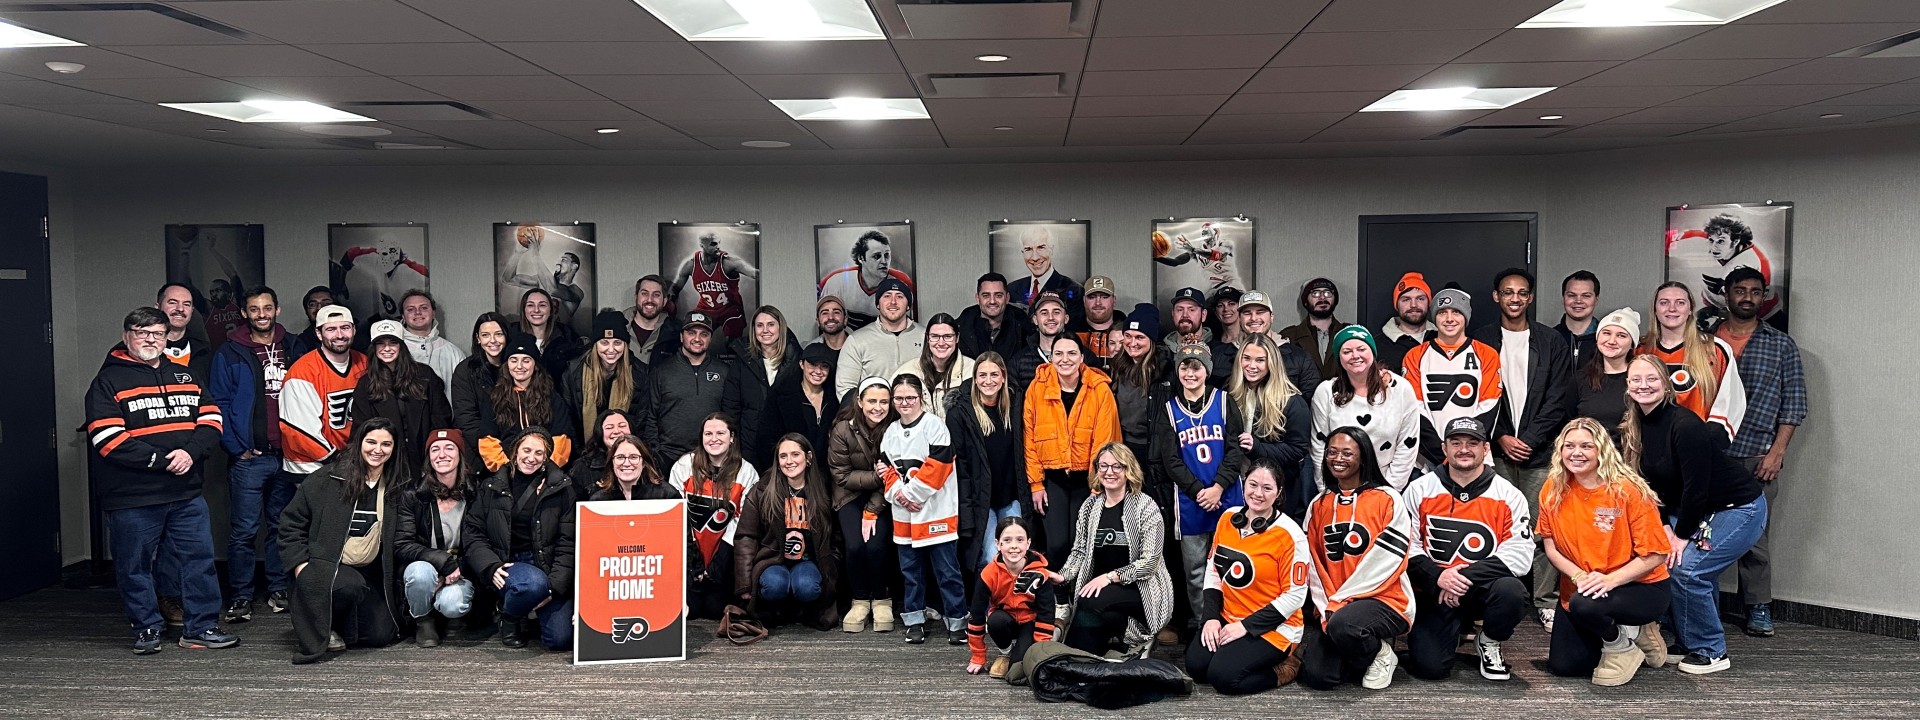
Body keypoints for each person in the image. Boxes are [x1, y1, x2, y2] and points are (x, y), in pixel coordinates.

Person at [86, 306, 238, 654]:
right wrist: (161, 461)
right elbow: (108, 439)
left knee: (199, 561)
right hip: (133, 497)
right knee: (134, 567)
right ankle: (146, 629)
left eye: (157, 333)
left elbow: (212, 419)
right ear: (127, 336)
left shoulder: (185, 375)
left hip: (186, 493)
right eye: (142, 333)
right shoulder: (108, 381)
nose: (150, 339)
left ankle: (200, 627)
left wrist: (191, 453)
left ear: (167, 336)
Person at [1620, 354, 1767, 675]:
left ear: (1666, 384)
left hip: (1737, 507)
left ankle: (1711, 650)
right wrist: (1665, 529)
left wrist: (1680, 535)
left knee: (1689, 571)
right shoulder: (1638, 425)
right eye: (1636, 380)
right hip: (1690, 509)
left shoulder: (1684, 425)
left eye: (1651, 379)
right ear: (1628, 386)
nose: (1643, 385)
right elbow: (1650, 489)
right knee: (1673, 565)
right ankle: (1688, 641)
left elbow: (1696, 489)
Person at [1471, 268, 1576, 628]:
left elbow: (1558, 398)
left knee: (1543, 527)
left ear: (1530, 298)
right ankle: (1498, 598)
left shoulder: (1551, 342)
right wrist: (1500, 436)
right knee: (1494, 528)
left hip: (1540, 453)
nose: (1514, 298)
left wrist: (1529, 440)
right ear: (1495, 297)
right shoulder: (1480, 340)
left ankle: (1546, 600)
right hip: (1495, 452)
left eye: (1521, 293)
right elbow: (1477, 396)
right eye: (1507, 292)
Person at [1538, 418, 1672, 686]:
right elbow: (1550, 548)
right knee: (1565, 665)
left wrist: (1609, 580)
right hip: (1583, 586)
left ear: (1602, 450)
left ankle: (1622, 645)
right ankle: (1626, 630)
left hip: (1638, 586)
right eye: (1569, 446)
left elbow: (1657, 554)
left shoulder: (1627, 490)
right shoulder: (1553, 489)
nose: (1577, 453)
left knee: (1585, 604)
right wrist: (1578, 576)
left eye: (1587, 446)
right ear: (1560, 450)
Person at [1712, 267, 1806, 638]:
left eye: (1755, 291)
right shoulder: (1705, 339)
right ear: (1727, 294)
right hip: (1711, 454)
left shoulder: (1781, 345)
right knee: (1701, 534)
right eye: (1740, 290)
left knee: (1755, 538)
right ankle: (1702, 604)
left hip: (1756, 454)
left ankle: (1759, 607)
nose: (1747, 297)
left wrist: (1777, 452)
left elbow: (1794, 403)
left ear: (1763, 296)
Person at [1403, 417, 1534, 682]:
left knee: (1513, 593)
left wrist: (1461, 578)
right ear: (1444, 449)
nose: (1464, 449)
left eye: (1472, 443)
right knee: (1430, 669)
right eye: (1456, 443)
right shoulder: (1419, 489)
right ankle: (1451, 630)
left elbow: (1520, 555)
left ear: (1486, 449)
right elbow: (1406, 547)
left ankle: (1489, 640)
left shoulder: (1508, 494)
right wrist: (1439, 577)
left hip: (1482, 588)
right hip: (1435, 589)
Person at [278, 418, 405, 662]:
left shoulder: (396, 486)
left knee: (381, 635)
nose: (377, 450)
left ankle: (343, 625)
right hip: (327, 565)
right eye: (371, 442)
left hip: (371, 571)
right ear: (359, 443)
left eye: (386, 444)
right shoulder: (326, 480)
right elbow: (290, 524)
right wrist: (300, 566)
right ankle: (323, 624)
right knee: (349, 585)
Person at [208, 285, 300, 620]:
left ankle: (278, 588)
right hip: (250, 457)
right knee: (244, 530)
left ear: (277, 309)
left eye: (267, 308)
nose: (262, 314)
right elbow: (218, 403)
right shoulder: (230, 351)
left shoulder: (294, 346)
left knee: (281, 526)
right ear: (245, 313)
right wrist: (236, 447)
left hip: (287, 456)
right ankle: (241, 596)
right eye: (254, 309)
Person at [1298, 427, 1413, 691]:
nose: (1338, 458)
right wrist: (1327, 604)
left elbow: (1388, 560)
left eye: (1347, 453)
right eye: (1332, 452)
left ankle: (1381, 652)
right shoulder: (1318, 504)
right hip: (1335, 606)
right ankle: (1362, 647)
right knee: (1318, 676)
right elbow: (1313, 564)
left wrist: (1342, 600)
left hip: (1386, 599)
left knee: (1345, 624)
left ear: (1363, 458)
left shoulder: (1388, 499)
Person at [1185, 458, 1312, 694]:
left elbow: (1295, 596)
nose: (1258, 494)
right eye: (1253, 485)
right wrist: (1211, 618)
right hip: (1229, 616)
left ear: (1279, 493)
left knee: (1224, 678)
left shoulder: (1291, 536)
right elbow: (1214, 572)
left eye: (1267, 488)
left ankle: (1288, 666)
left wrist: (1245, 626)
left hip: (1275, 628)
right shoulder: (1228, 519)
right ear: (1244, 484)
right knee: (1197, 667)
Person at [1151, 344, 1248, 643]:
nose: (1190, 373)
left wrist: (1218, 486)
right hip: (1190, 503)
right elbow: (1171, 460)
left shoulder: (1223, 401)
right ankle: (1200, 624)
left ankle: (1237, 621)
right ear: (1178, 371)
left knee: (1234, 562)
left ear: (1207, 370)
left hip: (1228, 496)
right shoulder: (1169, 409)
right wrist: (1198, 491)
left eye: (1196, 367)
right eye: (1184, 367)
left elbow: (1235, 451)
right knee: (1194, 570)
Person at [1050, 443, 1173, 659]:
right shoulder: (1089, 507)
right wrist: (1062, 576)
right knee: (1077, 656)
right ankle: (1132, 639)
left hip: (1142, 590)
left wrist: (1109, 578)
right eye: (1103, 466)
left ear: (1129, 470)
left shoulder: (1146, 506)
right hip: (1102, 594)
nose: (1109, 472)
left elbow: (1150, 562)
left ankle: (1139, 635)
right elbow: (1079, 551)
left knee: (1089, 599)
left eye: (1117, 466)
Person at [462, 427, 577, 651]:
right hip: (509, 564)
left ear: (546, 458)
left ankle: (528, 606)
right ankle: (510, 616)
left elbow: (568, 543)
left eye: (539, 453)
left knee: (560, 639)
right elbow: (473, 532)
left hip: (549, 565)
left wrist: (553, 588)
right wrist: (491, 566)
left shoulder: (562, 488)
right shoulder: (491, 486)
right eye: (526, 450)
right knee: (532, 584)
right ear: (515, 452)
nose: (531, 458)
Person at [875, 374, 968, 645]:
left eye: (910, 398)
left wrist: (911, 494)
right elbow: (886, 469)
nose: (905, 403)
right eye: (899, 398)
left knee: (947, 572)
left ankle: (957, 621)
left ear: (921, 398)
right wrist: (900, 497)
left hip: (937, 512)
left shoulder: (935, 426)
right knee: (910, 573)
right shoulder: (890, 432)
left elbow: (939, 466)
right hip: (904, 516)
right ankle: (914, 620)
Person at [1024, 334, 1121, 567]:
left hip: (1086, 480)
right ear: (1050, 357)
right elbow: (1029, 438)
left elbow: (1104, 442)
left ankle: (1081, 598)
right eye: (1058, 353)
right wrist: (1036, 484)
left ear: (1081, 357)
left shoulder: (1099, 390)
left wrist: (1099, 485)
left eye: (1071, 353)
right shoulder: (1036, 388)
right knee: (1057, 544)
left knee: (1082, 542)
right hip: (1053, 479)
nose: (1064, 359)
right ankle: (1059, 599)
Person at [735, 434, 840, 629]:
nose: (789, 461)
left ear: (808, 458)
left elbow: (836, 535)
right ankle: (777, 611)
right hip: (772, 561)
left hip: (809, 562)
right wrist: (744, 584)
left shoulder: (824, 489)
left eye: (795, 455)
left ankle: (801, 611)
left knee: (806, 586)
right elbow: (746, 537)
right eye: (783, 456)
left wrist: (831, 568)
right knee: (774, 584)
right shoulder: (762, 490)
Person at [668, 413, 761, 621]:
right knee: (690, 610)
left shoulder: (746, 472)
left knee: (714, 609)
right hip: (690, 552)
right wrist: (694, 561)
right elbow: (676, 516)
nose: (714, 438)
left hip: (725, 557)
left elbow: (743, 521)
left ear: (732, 437)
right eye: (708, 433)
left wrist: (719, 562)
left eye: (720, 433)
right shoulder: (684, 466)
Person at [1309, 326, 1421, 490]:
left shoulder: (1400, 389)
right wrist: (1328, 490)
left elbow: (1407, 444)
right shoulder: (1325, 392)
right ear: (1339, 357)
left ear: (1373, 352)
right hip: (1339, 487)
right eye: (1347, 351)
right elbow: (1319, 447)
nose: (1355, 356)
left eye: (1361, 349)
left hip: (1387, 486)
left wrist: (1389, 491)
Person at [1401, 288, 1502, 467]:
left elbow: (1489, 406)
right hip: (1428, 461)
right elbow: (1414, 409)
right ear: (1434, 317)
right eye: (1442, 312)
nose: (1449, 319)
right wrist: (1442, 454)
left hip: (1475, 458)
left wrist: (1464, 449)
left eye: (1456, 312)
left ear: (1466, 316)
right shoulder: (1415, 356)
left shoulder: (1487, 354)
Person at [827, 378, 896, 633]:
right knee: (855, 545)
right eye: (872, 401)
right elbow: (841, 475)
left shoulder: (895, 428)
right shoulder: (842, 429)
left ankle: (881, 599)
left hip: (884, 495)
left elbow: (894, 474)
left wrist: (873, 509)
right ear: (859, 402)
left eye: (883, 402)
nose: (878, 407)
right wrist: (878, 476)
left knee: (876, 544)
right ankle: (859, 600)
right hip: (849, 494)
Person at [396, 429, 476, 648]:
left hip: (461, 570)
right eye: (435, 449)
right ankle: (423, 620)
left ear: (460, 455)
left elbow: (483, 543)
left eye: (449, 448)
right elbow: (402, 544)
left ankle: (452, 617)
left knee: (452, 604)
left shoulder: (475, 492)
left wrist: (455, 569)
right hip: (426, 566)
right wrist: (442, 563)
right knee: (419, 573)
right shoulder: (413, 495)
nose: (442, 454)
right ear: (428, 458)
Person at [947, 352, 1026, 572]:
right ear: (974, 378)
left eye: (994, 374)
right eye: (982, 375)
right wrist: (966, 511)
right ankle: (990, 605)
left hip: (1011, 496)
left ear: (1003, 377)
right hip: (981, 500)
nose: (988, 380)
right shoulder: (959, 413)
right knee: (991, 557)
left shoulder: (1016, 406)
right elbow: (959, 466)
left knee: (1017, 554)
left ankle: (1015, 605)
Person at [1639, 281, 1746, 440]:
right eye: (1664, 303)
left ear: (1690, 309)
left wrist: (1707, 438)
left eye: (1680, 303)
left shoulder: (1714, 349)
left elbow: (1731, 399)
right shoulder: (1638, 349)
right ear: (1655, 309)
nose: (1672, 308)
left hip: (1696, 446)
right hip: (1646, 446)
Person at [1228, 334, 1311, 520]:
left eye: (1260, 360)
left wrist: (1257, 448)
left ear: (1271, 363)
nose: (1252, 366)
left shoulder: (1292, 401)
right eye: (1246, 358)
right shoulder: (1229, 395)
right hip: (1236, 487)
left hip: (1277, 493)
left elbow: (1297, 450)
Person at [351, 320, 451, 472]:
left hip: (425, 459)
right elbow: (361, 429)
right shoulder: (366, 384)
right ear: (374, 348)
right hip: (386, 463)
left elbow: (441, 416)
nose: (387, 348)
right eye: (381, 344)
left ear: (401, 346)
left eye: (393, 343)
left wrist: (434, 453)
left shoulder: (425, 375)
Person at [965, 516, 1057, 679]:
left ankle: (1056, 632)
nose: (1014, 546)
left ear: (1028, 543)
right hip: (1005, 619)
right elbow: (976, 615)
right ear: (997, 544)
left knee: (1018, 670)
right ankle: (1005, 652)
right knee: (995, 621)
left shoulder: (1040, 573)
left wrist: (1041, 647)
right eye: (1007, 540)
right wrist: (978, 656)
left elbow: (1046, 612)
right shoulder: (988, 574)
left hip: (1030, 622)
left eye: (1020, 540)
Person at [280, 305, 367, 476]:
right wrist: (338, 460)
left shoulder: (364, 363)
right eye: (331, 329)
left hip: (350, 461)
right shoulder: (302, 372)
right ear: (319, 334)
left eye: (345, 327)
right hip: (309, 465)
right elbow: (298, 430)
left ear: (354, 330)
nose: (340, 335)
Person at [563, 309, 658, 461]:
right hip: (584, 455)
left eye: (618, 343)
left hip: (626, 454)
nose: (611, 349)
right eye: (604, 342)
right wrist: (582, 457)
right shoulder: (574, 373)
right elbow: (569, 421)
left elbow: (641, 422)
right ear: (595, 345)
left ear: (625, 345)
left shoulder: (641, 374)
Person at [474, 334, 576, 472]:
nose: (519, 366)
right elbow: (488, 441)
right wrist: (507, 469)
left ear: (535, 365)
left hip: (545, 471)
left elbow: (561, 439)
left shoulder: (551, 397)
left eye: (526, 360)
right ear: (506, 365)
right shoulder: (495, 399)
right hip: (507, 473)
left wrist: (546, 468)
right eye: (513, 360)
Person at [723, 306, 801, 466]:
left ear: (781, 327)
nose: (765, 330)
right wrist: (734, 445)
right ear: (753, 330)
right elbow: (731, 407)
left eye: (771, 324)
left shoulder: (797, 360)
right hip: (750, 444)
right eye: (759, 325)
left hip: (788, 444)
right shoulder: (741, 362)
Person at [649, 312, 729, 466]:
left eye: (703, 334)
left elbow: (730, 416)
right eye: (691, 333)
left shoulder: (724, 372)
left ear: (710, 338)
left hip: (711, 456)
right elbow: (650, 416)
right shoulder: (662, 371)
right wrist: (656, 454)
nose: (697, 339)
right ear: (681, 337)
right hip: (668, 457)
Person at [835, 278, 924, 399]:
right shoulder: (857, 340)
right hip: (875, 414)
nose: (893, 302)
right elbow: (845, 388)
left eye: (899, 296)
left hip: (917, 414)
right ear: (877, 304)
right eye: (887, 296)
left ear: (908, 305)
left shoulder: (926, 336)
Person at [760, 343, 841, 475]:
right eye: (813, 365)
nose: (818, 371)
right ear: (802, 364)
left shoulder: (835, 399)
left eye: (824, 366)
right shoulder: (782, 397)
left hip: (826, 475)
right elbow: (767, 439)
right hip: (789, 473)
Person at [668, 231, 761, 339]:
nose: (718, 247)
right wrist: (670, 306)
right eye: (713, 244)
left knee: (732, 344)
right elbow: (675, 289)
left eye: (718, 243)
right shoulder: (691, 264)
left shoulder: (729, 262)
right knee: (691, 337)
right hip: (706, 308)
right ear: (702, 245)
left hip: (730, 308)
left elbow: (756, 274)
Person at [818, 229, 914, 330]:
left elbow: (909, 326)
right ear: (861, 258)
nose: (884, 261)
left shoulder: (901, 284)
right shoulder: (837, 283)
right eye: (876, 256)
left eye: (887, 255)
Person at [1233, 290, 1322, 397]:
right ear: (1239, 318)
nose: (1254, 318)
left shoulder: (1299, 357)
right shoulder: (1223, 354)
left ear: (1271, 316)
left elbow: (1310, 400)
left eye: (1260, 312)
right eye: (1247, 313)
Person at [450, 313, 509, 465]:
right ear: (478, 338)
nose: (493, 340)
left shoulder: (517, 366)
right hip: (479, 453)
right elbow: (467, 419)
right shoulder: (465, 371)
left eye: (499, 334)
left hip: (516, 448)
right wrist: (492, 453)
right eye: (485, 335)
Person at [1575, 308, 1641, 442]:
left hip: (1630, 459)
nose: (1611, 341)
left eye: (1621, 335)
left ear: (1632, 344)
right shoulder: (1581, 379)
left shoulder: (1641, 380)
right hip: (1591, 458)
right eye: (1606, 333)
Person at [895, 313, 975, 417]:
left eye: (947, 336)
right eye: (935, 336)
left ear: (957, 338)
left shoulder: (972, 370)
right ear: (927, 338)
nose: (941, 343)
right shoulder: (908, 371)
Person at [397, 290, 466, 402]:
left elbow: (464, 396)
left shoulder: (454, 353)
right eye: (410, 309)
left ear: (433, 313)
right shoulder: (393, 351)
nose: (418, 312)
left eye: (424, 308)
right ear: (403, 316)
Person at [1279, 278, 1350, 382]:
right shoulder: (1290, 336)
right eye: (1315, 293)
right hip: (1302, 397)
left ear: (1335, 299)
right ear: (1305, 300)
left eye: (1328, 293)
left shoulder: (1349, 333)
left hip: (1343, 397)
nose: (1322, 297)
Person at [1163, 287, 1235, 389]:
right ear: (1172, 314)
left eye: (1192, 310)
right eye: (1179, 310)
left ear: (1203, 314)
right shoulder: (1159, 353)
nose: (1185, 315)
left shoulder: (1222, 352)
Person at [957, 273, 1033, 363]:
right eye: (986, 296)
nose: (992, 301)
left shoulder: (1024, 328)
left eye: (998, 295)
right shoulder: (961, 327)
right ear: (978, 298)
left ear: (1007, 298)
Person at [1007, 224, 1081, 313]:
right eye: (1028, 249)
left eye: (1041, 247)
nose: (1035, 257)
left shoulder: (1073, 289)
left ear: (1051, 249)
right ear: (1022, 253)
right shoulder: (1012, 289)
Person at [511, 287, 582, 380]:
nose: (536, 310)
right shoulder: (511, 335)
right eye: (530, 305)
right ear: (524, 310)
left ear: (551, 310)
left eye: (542, 305)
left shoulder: (568, 337)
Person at [587, 434, 680, 502]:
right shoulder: (598, 500)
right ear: (612, 462)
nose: (626, 463)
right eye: (620, 457)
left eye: (633, 457)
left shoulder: (667, 496)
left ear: (644, 463)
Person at [1010, 292, 1071, 390]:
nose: (1050, 317)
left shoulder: (1084, 357)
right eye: (1044, 313)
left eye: (1056, 312)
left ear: (1066, 318)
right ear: (1035, 319)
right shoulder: (1019, 361)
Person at [571, 408, 637, 496]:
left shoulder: (649, 460)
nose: (617, 431)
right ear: (600, 433)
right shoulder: (582, 467)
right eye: (609, 427)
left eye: (622, 426)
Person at [1378, 272, 1435, 373]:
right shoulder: (1378, 346)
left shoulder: (1443, 339)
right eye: (1406, 300)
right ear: (1397, 305)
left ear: (1429, 303)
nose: (1413, 305)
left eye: (1420, 299)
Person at [156, 283, 211, 381]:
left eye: (186, 304)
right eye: (172, 302)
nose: (180, 309)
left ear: (192, 310)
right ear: (157, 307)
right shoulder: (142, 350)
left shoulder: (204, 352)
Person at [624, 275, 682, 366]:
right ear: (636, 297)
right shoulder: (618, 326)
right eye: (644, 293)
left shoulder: (677, 333)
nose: (650, 299)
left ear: (665, 301)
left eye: (656, 295)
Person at [1071, 276, 1121, 370]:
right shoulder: (1071, 333)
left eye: (1104, 297)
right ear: (1084, 300)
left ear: (1114, 300)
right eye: (1092, 297)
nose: (1098, 303)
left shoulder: (1127, 333)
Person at [1557, 271, 1601, 371]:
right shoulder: (1549, 339)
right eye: (1572, 295)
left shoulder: (1607, 341)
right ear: (1563, 299)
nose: (1578, 301)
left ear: (1596, 300)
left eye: (1586, 296)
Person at [291, 285, 331, 359]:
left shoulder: (352, 335)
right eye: (313, 304)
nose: (319, 308)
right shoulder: (301, 342)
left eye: (326, 304)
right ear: (306, 311)